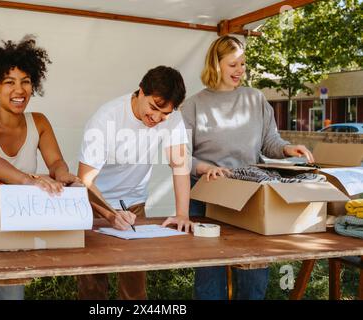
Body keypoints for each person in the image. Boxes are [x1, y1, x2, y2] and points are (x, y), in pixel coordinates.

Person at [181, 35, 315, 300]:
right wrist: (205, 167)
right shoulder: (193, 105)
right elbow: (182, 157)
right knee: (210, 277)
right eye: (233, 64)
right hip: (208, 194)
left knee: (254, 273)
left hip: (250, 194)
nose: (240, 70)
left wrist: (288, 149)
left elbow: (269, 142)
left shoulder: (256, 99)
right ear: (215, 65)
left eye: (243, 64)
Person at [0, 36, 79, 300]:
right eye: (9, 82)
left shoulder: (39, 121)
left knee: (11, 292)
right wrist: (31, 181)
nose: (20, 90)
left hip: (16, 210)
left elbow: (56, 162)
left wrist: (62, 175)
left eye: (25, 81)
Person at [77, 66, 193, 299]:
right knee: (93, 284)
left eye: (165, 114)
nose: (157, 118)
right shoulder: (106, 117)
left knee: (134, 284)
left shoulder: (173, 119)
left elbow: (180, 164)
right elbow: (85, 181)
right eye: (154, 108)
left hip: (135, 203)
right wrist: (110, 214)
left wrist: (182, 214)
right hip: (95, 204)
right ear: (141, 92)